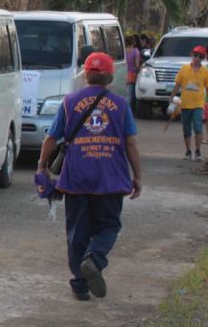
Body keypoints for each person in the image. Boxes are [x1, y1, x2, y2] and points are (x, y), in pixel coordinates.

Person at [36, 52, 143, 301]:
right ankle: (95, 258)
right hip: (111, 178)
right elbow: (131, 144)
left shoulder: (69, 101)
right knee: (109, 225)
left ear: (85, 75)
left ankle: (80, 285)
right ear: (109, 76)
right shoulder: (121, 104)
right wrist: (137, 176)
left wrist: (42, 165)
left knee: (77, 232)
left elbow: (51, 138)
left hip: (76, 179)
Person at [173, 45, 208, 161]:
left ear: (203, 58)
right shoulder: (184, 69)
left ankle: (198, 150)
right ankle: (188, 151)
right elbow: (178, 84)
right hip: (185, 104)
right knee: (186, 129)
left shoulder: (205, 71)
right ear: (191, 55)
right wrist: (172, 97)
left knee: (198, 126)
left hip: (198, 104)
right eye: (195, 55)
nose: (197, 58)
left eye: (200, 56)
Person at [125, 35, 141, 107]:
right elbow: (137, 66)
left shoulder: (123, 51)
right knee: (129, 95)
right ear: (134, 42)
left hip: (122, 74)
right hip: (132, 76)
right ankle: (126, 110)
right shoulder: (135, 51)